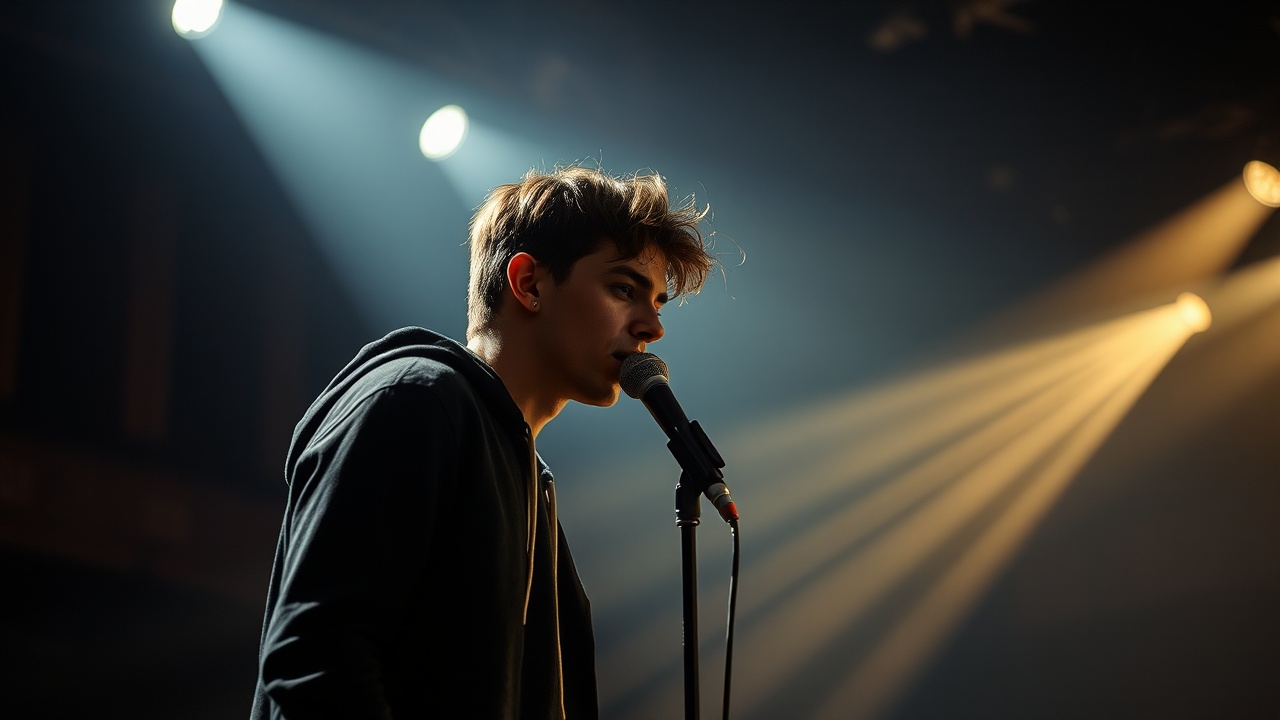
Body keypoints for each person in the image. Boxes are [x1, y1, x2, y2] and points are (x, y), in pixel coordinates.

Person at [250, 166, 717, 719]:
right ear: (529, 284)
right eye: (623, 289)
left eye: (658, 302)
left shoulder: (531, 484)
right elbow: (316, 660)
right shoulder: (416, 403)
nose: (651, 327)